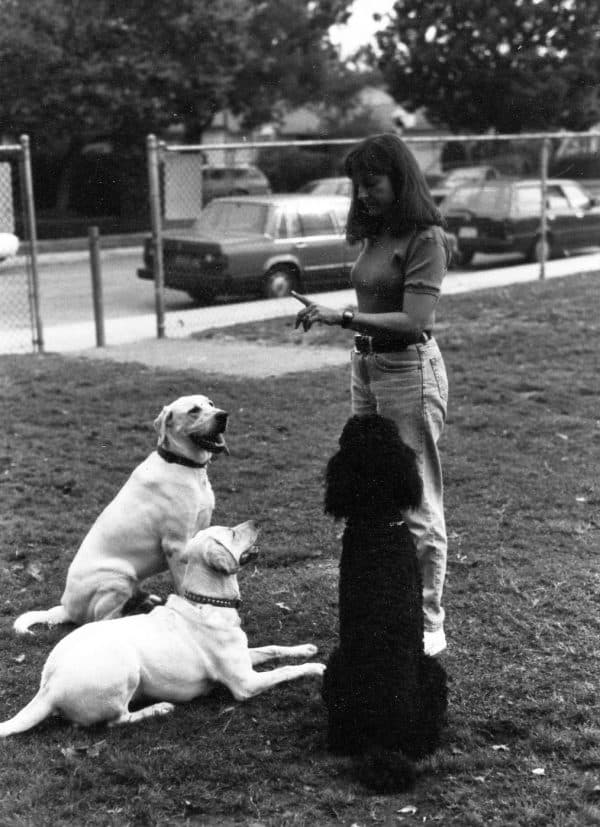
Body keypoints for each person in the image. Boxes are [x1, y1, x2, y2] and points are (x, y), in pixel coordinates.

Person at [293, 133, 451, 657]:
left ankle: (428, 621)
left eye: (372, 184)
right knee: (368, 487)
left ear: (399, 180)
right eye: (357, 186)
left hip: (408, 369)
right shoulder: (375, 233)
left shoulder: (425, 237)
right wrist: (339, 318)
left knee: (415, 494)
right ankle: (377, 600)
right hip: (365, 365)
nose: (362, 195)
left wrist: (342, 316)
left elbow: (414, 319)